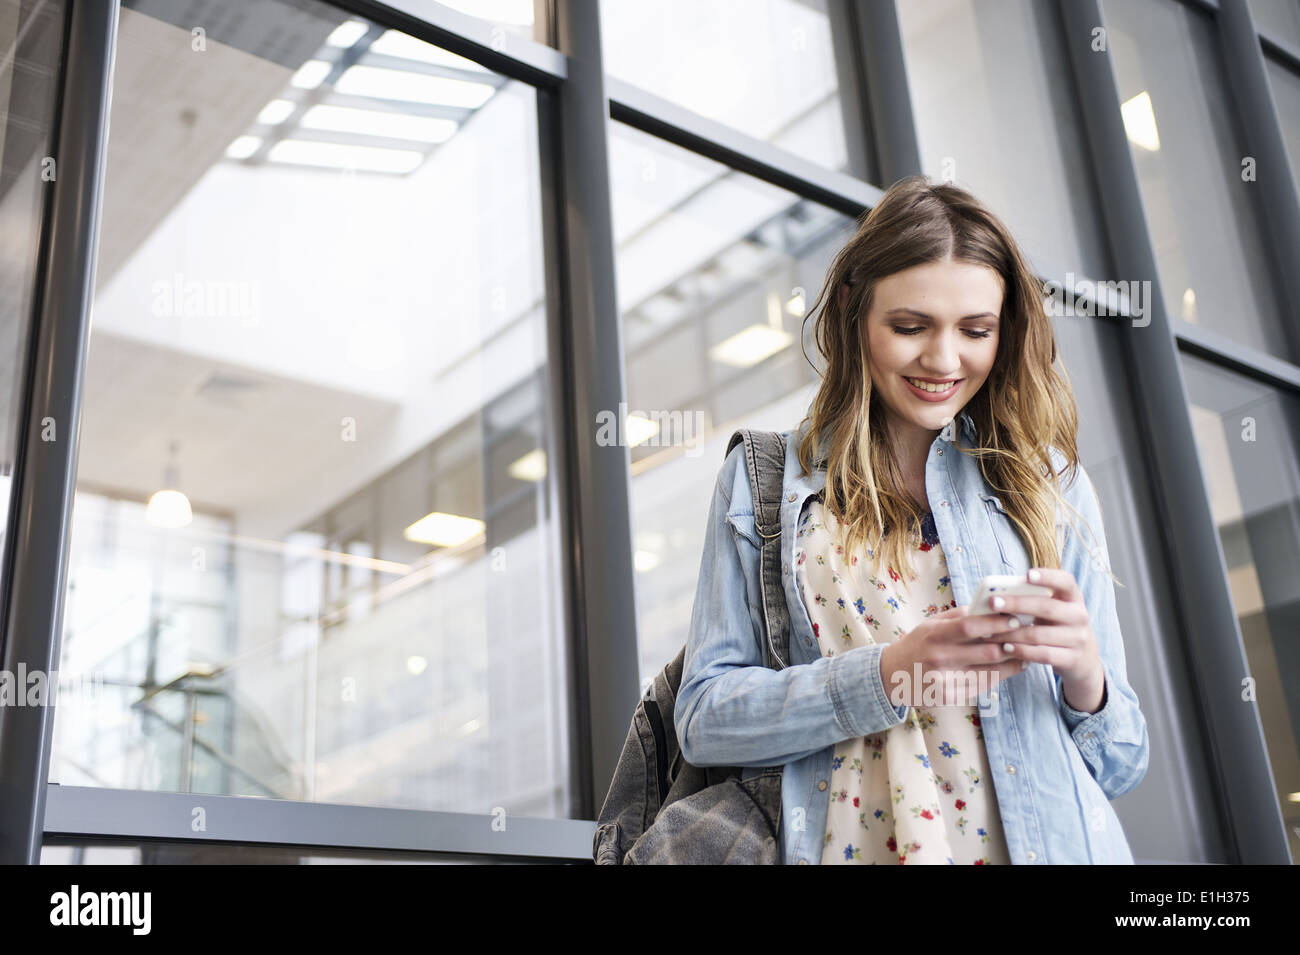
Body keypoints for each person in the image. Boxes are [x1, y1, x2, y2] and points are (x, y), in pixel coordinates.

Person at [674, 174, 1150, 865]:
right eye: (910, 326)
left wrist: (1085, 675)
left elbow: (1120, 762)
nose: (944, 359)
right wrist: (891, 674)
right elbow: (704, 720)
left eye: (976, 330)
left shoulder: (1050, 482)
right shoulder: (763, 482)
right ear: (851, 309)